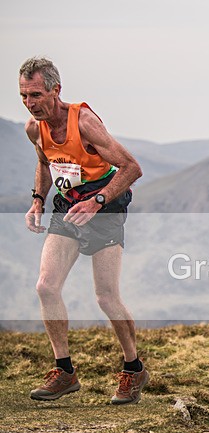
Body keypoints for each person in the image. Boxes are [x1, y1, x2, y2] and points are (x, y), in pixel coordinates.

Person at [19, 57, 148, 404]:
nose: (31, 104)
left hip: (104, 208)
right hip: (67, 207)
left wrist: (98, 202)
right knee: (46, 286)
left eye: (36, 95)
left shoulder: (85, 122)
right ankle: (64, 371)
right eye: (24, 97)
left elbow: (132, 168)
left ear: (55, 90)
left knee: (106, 296)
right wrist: (37, 200)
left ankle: (133, 369)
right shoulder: (35, 128)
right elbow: (45, 163)